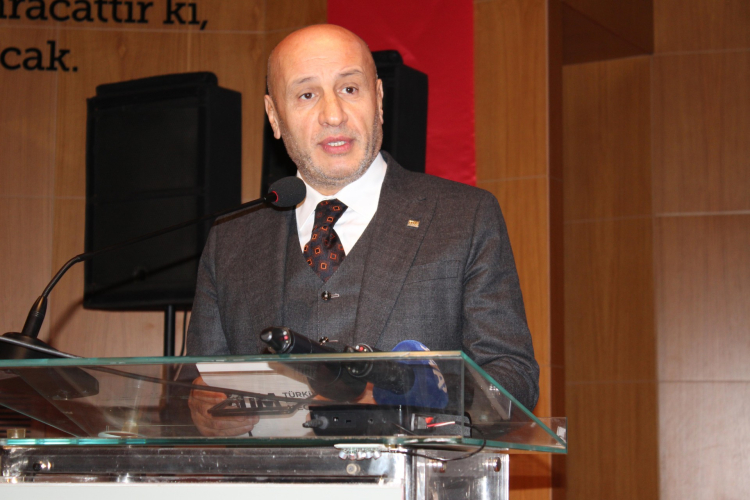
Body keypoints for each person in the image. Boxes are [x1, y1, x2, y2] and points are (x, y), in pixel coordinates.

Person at [187, 24, 539, 436]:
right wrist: (201, 410)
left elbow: (513, 380)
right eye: (307, 95)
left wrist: (412, 399)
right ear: (274, 116)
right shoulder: (231, 238)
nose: (333, 115)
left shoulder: (464, 217)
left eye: (350, 89)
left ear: (379, 100)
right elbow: (190, 386)